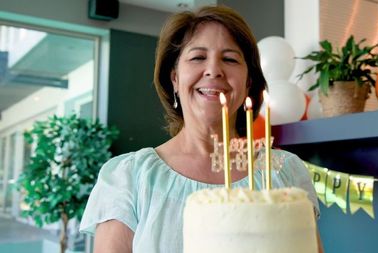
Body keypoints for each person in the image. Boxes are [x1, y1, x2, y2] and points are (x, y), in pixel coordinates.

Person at [79, 5, 324, 253]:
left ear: (249, 82)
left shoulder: (284, 171)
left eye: (229, 59)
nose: (214, 70)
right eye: (198, 57)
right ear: (174, 78)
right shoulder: (129, 177)